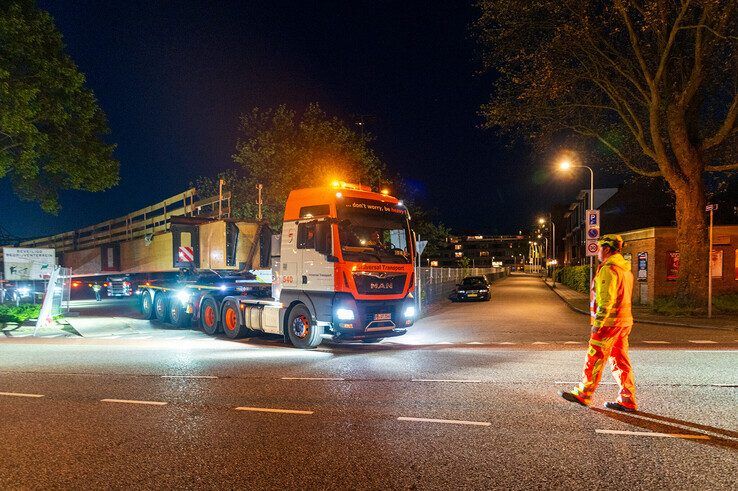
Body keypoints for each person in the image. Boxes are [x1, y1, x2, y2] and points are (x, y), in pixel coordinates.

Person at [560, 234, 637, 412]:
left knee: (594, 358)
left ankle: (583, 393)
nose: (598, 253)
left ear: (607, 249)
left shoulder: (608, 270)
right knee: (620, 361)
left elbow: (606, 300)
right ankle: (627, 399)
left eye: (600, 248)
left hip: (608, 323)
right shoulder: (625, 270)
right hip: (624, 321)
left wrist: (598, 323)